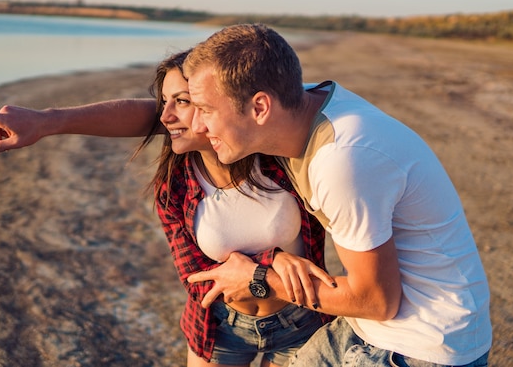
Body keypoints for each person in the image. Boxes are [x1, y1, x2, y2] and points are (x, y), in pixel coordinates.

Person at [0, 50, 336, 367]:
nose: (165, 116)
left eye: (183, 101)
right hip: (218, 327)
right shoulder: (176, 187)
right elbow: (198, 278)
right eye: (164, 102)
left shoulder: (277, 156)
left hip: (301, 320)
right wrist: (271, 262)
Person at [178, 24, 492, 367]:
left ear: (259, 108)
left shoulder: (340, 159)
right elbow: (156, 116)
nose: (197, 126)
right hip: (370, 329)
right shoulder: (301, 103)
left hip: (419, 345)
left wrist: (256, 278)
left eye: (206, 110)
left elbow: (377, 300)